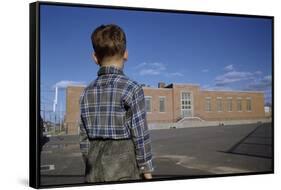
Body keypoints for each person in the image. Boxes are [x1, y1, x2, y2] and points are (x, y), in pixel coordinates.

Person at [79, 24, 154, 183]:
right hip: (123, 168)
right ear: (126, 54)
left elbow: (83, 137)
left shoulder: (86, 92)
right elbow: (140, 135)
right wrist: (146, 169)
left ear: (95, 57)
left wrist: (89, 161)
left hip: (93, 171)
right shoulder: (132, 89)